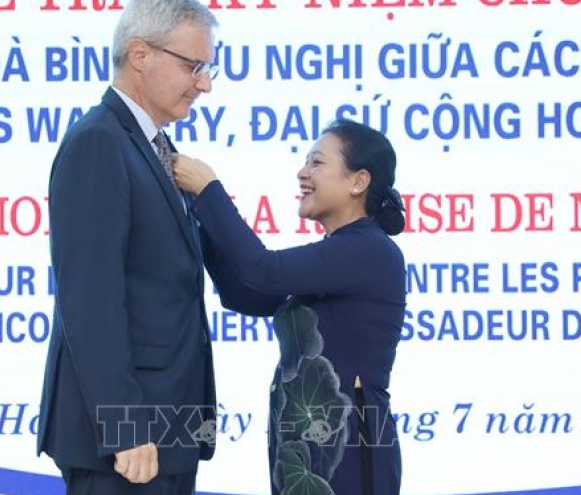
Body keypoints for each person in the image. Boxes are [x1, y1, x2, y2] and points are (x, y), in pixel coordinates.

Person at [36, 1, 220, 493]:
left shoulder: (154, 150)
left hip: (167, 432)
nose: (204, 83)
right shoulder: (99, 142)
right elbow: (90, 299)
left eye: (208, 69)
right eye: (193, 66)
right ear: (140, 55)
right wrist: (125, 425)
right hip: (125, 442)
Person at [174, 118, 407, 495]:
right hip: (306, 452)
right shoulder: (338, 256)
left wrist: (208, 191)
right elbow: (246, 293)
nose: (302, 173)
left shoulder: (369, 250)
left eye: (317, 162)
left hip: (348, 452)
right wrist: (194, 223)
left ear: (357, 181)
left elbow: (261, 271)